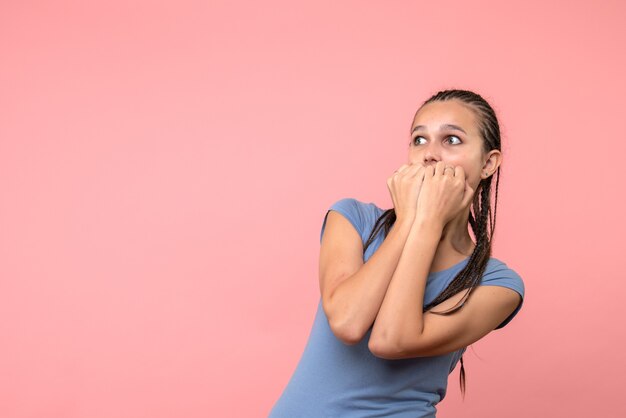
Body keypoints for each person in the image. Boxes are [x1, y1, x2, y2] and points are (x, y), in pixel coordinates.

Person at [268, 89, 525, 418]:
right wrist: (407, 223)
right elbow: (348, 322)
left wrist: (427, 224)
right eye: (419, 140)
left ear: (488, 163)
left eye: (452, 140)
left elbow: (389, 340)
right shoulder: (352, 219)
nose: (430, 154)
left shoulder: (499, 284)